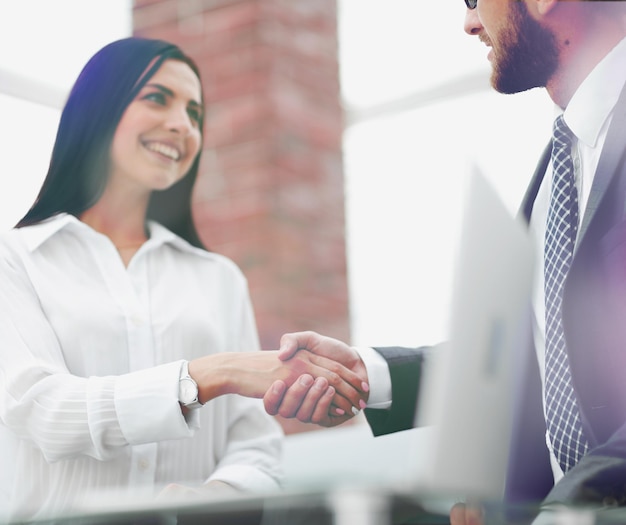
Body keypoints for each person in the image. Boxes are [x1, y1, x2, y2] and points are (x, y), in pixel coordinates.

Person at [263, 0, 626, 522]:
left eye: (474, 0)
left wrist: (564, 510)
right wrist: (367, 372)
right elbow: (533, 361)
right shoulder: (555, 173)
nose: (469, 23)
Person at [0, 36, 367, 521]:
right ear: (96, 109)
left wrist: (218, 495)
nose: (182, 125)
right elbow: (42, 409)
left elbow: (256, 445)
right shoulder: (16, 258)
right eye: (157, 98)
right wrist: (215, 373)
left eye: (195, 113)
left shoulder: (219, 279)